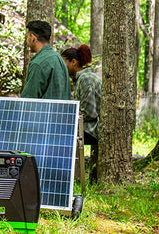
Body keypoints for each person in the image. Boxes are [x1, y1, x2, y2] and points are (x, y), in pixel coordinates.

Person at [61, 44, 101, 182]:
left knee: (63, 134)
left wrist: (72, 112)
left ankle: (74, 179)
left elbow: (89, 113)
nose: (62, 67)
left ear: (74, 62)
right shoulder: (80, 78)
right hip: (90, 125)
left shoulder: (86, 79)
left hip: (94, 128)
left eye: (64, 62)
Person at [20, 20, 71, 100]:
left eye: (27, 37)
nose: (26, 41)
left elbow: (28, 100)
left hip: (43, 112)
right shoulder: (58, 59)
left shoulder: (38, 63)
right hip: (60, 112)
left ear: (33, 38)